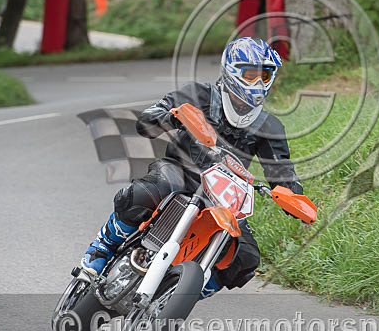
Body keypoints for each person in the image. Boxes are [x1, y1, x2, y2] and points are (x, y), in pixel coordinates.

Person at [81, 37, 302, 296]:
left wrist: (294, 196)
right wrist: (170, 117)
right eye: (250, 74)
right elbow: (146, 121)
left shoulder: (270, 126)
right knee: (151, 190)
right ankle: (102, 246)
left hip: (224, 197)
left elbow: (282, 173)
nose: (257, 82)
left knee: (246, 257)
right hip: (181, 171)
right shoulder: (198, 94)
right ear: (232, 70)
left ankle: (176, 296)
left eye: (264, 75)